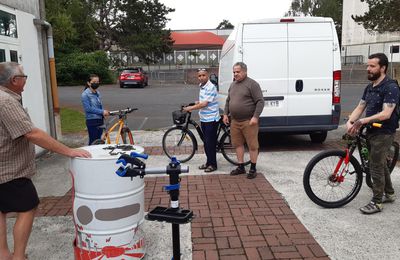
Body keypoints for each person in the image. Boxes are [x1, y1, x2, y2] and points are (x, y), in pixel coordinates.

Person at [0, 62, 91, 260]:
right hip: (9, 170)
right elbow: (32, 134)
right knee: (28, 207)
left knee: (1, 210)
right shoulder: (6, 101)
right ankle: (18, 256)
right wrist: (69, 151)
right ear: (14, 81)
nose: (25, 79)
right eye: (23, 76)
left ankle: (3, 254)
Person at [346, 53, 400, 214]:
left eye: (372, 66)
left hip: (384, 132)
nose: (368, 69)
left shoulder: (391, 87)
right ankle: (389, 193)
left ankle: (377, 202)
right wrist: (350, 121)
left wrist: (362, 121)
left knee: (375, 165)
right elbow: (360, 107)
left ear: (382, 68)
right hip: (371, 130)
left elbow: (386, 114)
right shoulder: (370, 87)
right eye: (367, 66)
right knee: (380, 163)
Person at [223, 62, 264, 179]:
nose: (235, 74)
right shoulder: (233, 85)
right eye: (234, 72)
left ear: (245, 71)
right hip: (235, 121)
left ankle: (253, 168)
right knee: (237, 144)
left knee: (252, 145)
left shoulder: (252, 84)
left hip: (248, 121)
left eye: (238, 72)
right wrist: (225, 114)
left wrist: (255, 117)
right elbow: (228, 100)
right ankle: (241, 166)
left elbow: (260, 101)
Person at [183, 68, 219, 172]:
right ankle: (208, 162)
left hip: (211, 119)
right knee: (206, 143)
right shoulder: (202, 86)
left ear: (207, 76)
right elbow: (204, 101)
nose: (201, 77)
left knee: (210, 143)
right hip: (204, 118)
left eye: (203, 75)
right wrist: (197, 102)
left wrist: (190, 108)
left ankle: (213, 165)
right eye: (199, 76)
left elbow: (204, 104)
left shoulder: (210, 87)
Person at [81, 74, 110, 145]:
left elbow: (99, 106)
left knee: (99, 141)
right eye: (94, 82)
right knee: (93, 142)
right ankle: (89, 155)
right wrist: (102, 111)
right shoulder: (85, 94)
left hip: (100, 120)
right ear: (88, 83)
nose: (96, 83)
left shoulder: (98, 93)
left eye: (97, 82)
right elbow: (88, 109)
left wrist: (103, 114)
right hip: (92, 121)